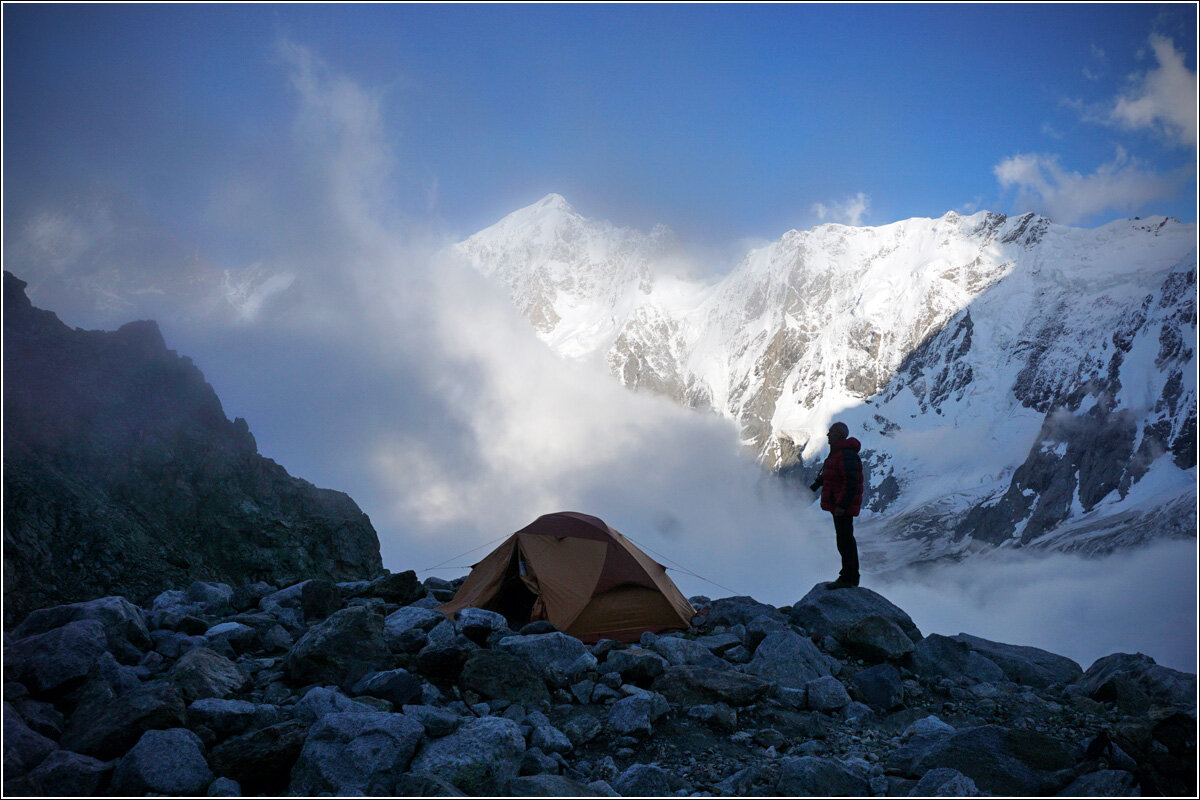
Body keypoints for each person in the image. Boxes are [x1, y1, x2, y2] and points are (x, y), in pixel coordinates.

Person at [809, 421, 863, 589]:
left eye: (830, 432)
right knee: (844, 540)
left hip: (842, 507)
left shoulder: (845, 454)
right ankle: (849, 575)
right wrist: (817, 484)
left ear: (839, 435)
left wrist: (842, 505)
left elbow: (851, 483)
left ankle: (849, 577)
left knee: (845, 541)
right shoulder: (839, 453)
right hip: (838, 505)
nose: (827, 436)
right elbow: (831, 474)